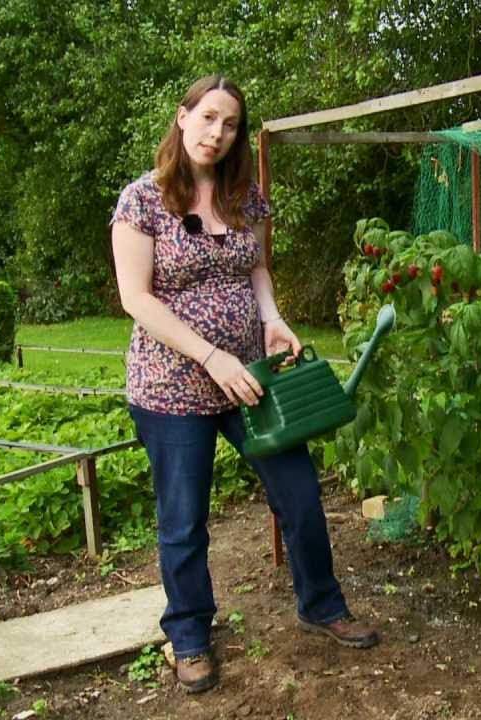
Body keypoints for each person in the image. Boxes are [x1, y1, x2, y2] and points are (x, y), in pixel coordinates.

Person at [110, 75, 378, 694]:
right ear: (182, 118)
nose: (217, 133)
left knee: (301, 495)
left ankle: (321, 604)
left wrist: (274, 320)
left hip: (252, 380)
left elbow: (255, 270)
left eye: (229, 124)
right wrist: (210, 357)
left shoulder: (245, 199)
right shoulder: (143, 201)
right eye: (208, 118)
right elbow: (135, 298)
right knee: (183, 519)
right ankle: (190, 635)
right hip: (171, 387)